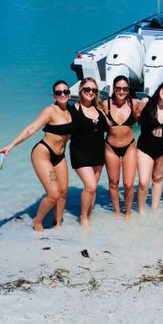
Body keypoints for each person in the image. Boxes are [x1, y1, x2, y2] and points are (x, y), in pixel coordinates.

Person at [0, 81, 73, 231]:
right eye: (59, 92)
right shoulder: (50, 111)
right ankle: (37, 222)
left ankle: (57, 225)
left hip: (60, 155)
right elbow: (31, 129)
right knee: (53, 194)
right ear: (54, 96)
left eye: (65, 91)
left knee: (63, 192)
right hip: (43, 153)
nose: (62, 94)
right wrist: (11, 146)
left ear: (70, 94)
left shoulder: (72, 111)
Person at [70, 77, 109, 228]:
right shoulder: (73, 109)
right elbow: (60, 125)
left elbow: (110, 129)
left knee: (93, 189)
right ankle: (83, 217)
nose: (90, 92)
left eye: (94, 90)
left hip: (98, 153)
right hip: (80, 153)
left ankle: (89, 215)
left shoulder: (99, 110)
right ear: (81, 91)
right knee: (91, 187)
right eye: (87, 89)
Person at [136, 80, 163, 213]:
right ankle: (141, 211)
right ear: (160, 87)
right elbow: (136, 117)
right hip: (145, 147)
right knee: (143, 182)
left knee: (157, 179)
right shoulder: (145, 102)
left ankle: (154, 211)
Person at [102, 76, 137, 217]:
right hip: (111, 148)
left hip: (129, 147)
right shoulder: (106, 105)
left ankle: (128, 212)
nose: (121, 91)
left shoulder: (134, 104)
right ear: (114, 88)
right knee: (114, 183)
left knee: (128, 184)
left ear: (128, 90)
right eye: (118, 88)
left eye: (125, 88)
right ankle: (117, 212)